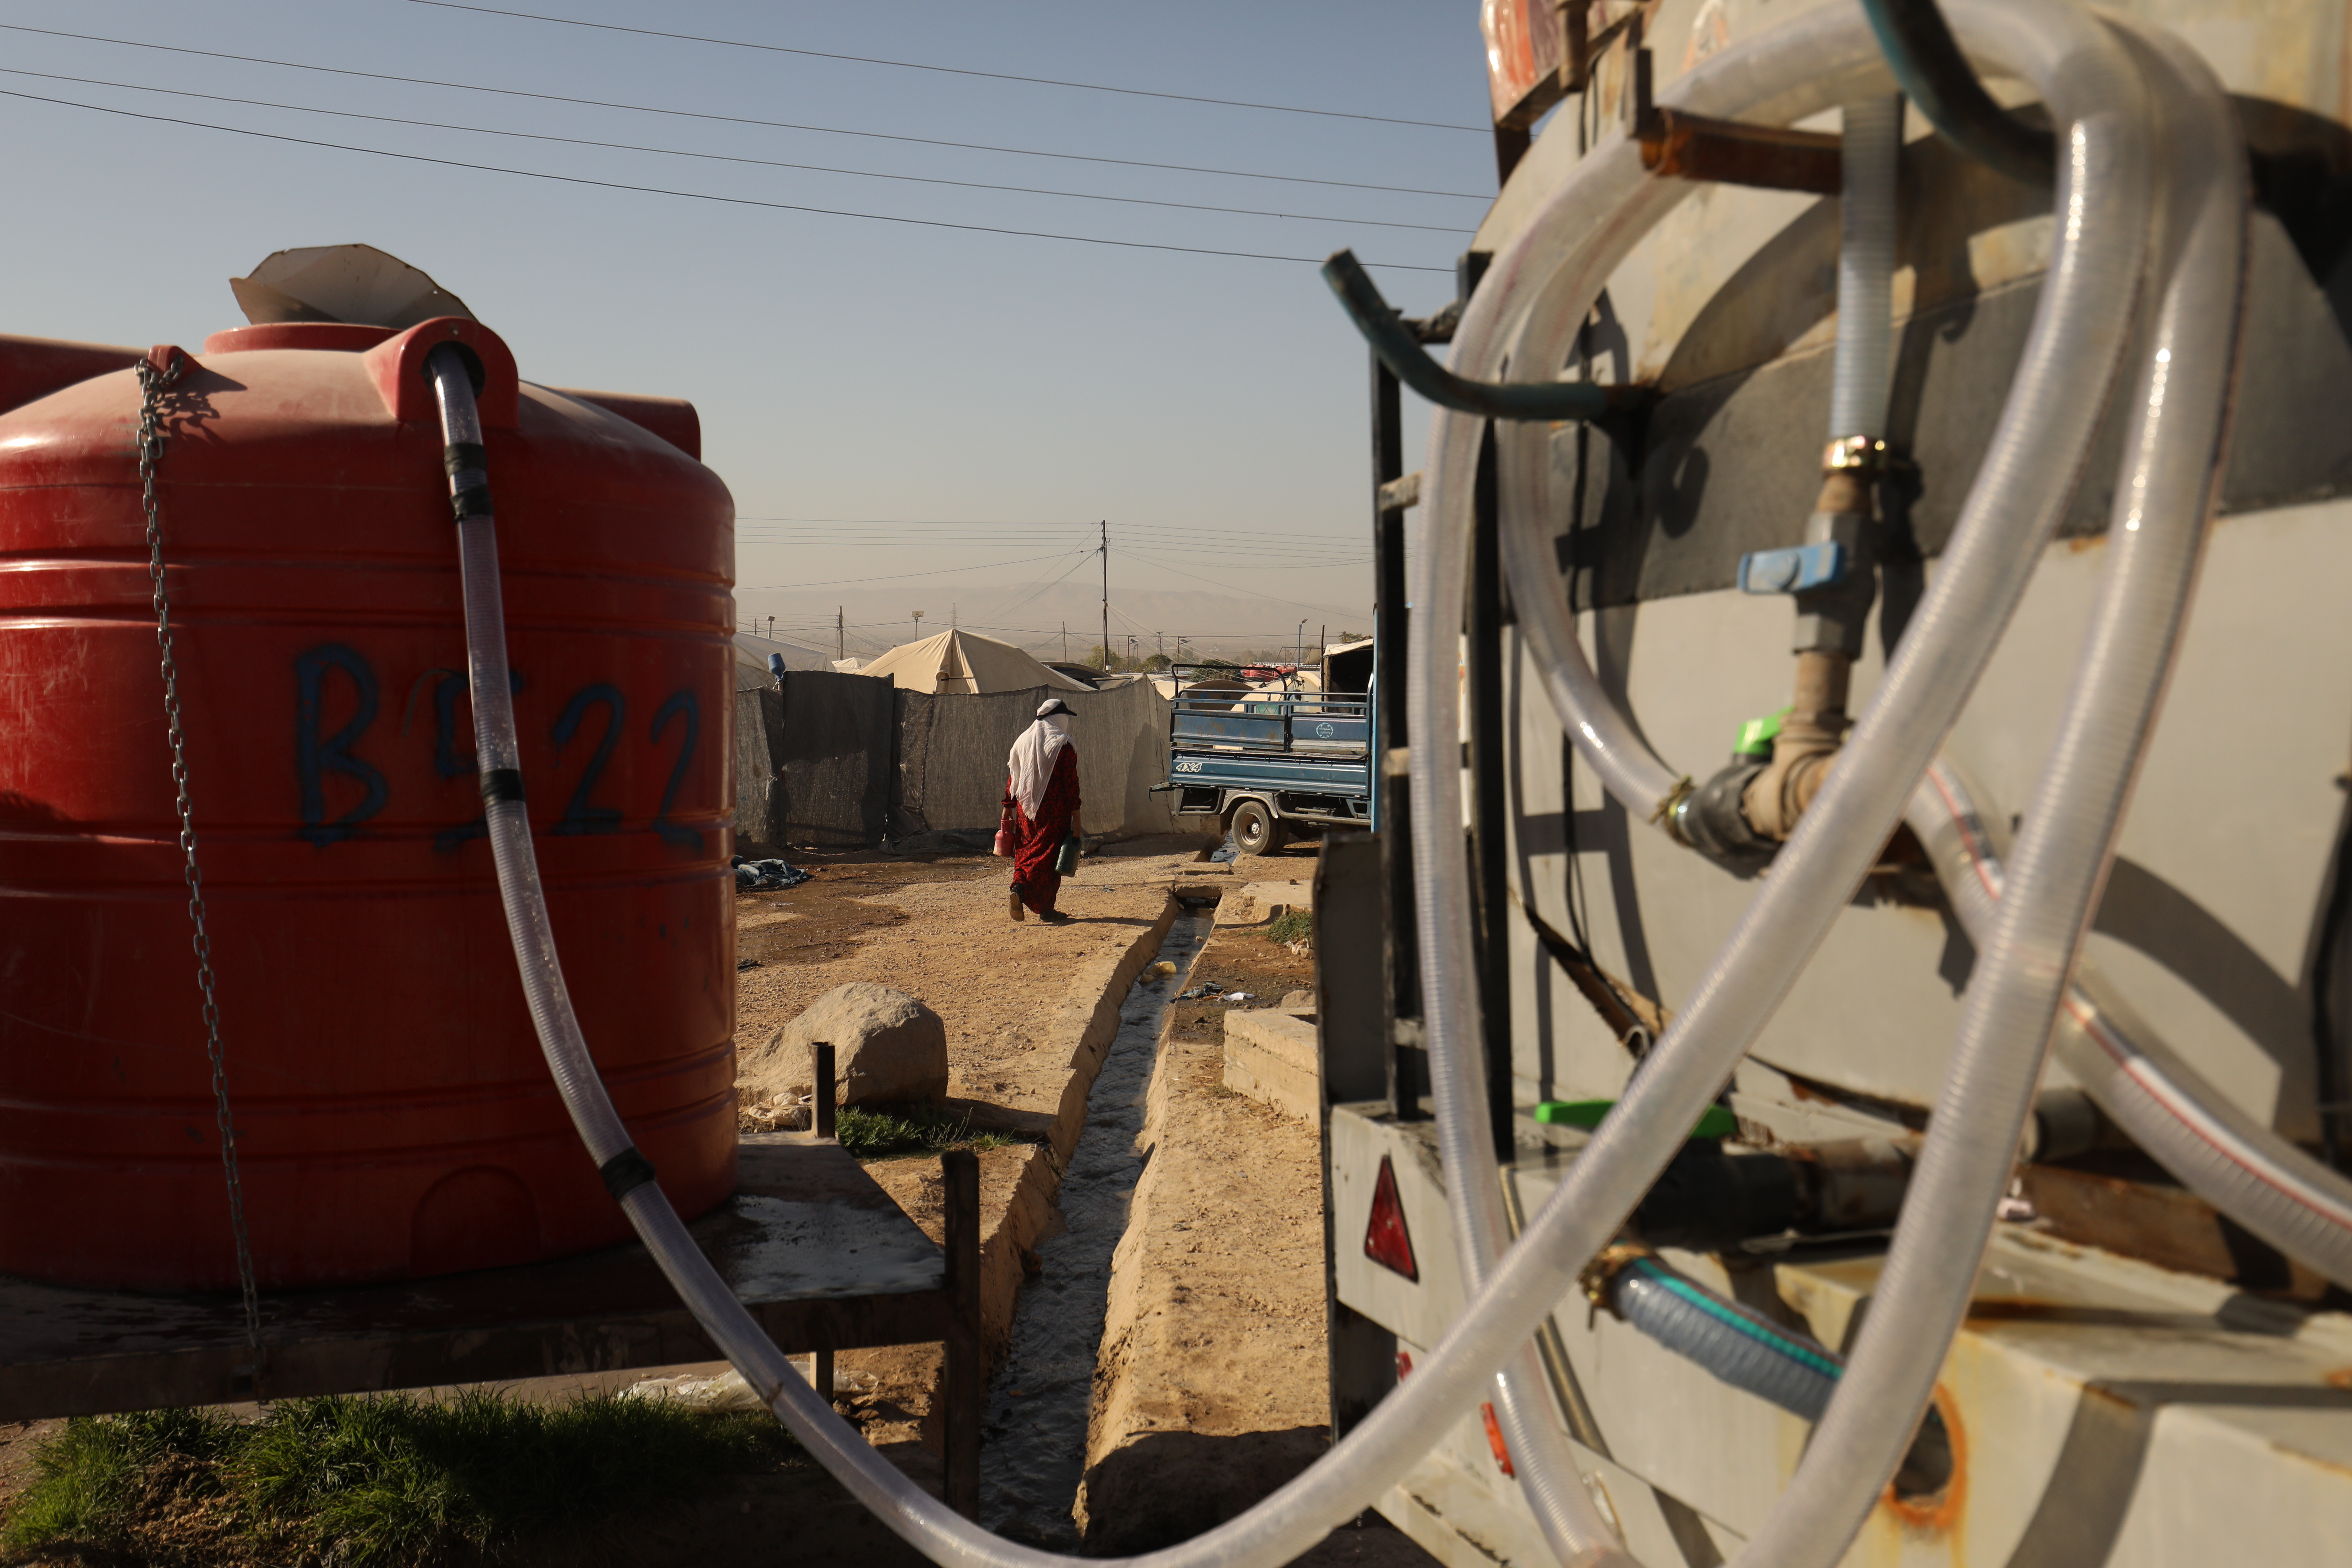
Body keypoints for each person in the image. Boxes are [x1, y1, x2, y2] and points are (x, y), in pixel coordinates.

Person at [1001, 696, 1082, 924]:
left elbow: (1013, 777)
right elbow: (1071, 783)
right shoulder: (1063, 744)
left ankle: (1018, 887)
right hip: (1054, 812)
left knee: (1026, 853)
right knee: (1048, 859)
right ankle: (1046, 909)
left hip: (1026, 812)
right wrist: (1078, 817)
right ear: (1059, 718)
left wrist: (1008, 807)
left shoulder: (1022, 741)